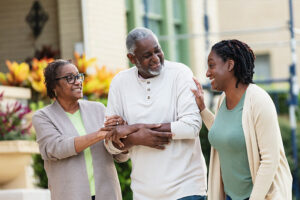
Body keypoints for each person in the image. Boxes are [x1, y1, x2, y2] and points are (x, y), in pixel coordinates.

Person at [105, 27, 207, 200]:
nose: (155, 59)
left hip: (187, 189)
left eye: (157, 50)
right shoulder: (120, 83)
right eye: (147, 55)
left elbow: (191, 127)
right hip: (144, 193)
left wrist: (134, 130)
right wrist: (136, 137)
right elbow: (110, 144)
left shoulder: (180, 74)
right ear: (131, 58)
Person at [191, 39, 292, 200]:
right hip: (230, 196)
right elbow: (224, 133)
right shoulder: (222, 100)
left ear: (230, 65)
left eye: (211, 65)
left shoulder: (259, 100)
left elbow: (270, 160)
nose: (207, 73)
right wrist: (202, 109)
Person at [32, 59, 126, 200]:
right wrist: (99, 135)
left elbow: (119, 155)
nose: (77, 82)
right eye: (70, 78)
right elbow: (56, 148)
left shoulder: (98, 109)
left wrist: (121, 135)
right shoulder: (43, 117)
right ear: (54, 86)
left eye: (78, 76)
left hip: (107, 194)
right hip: (70, 195)